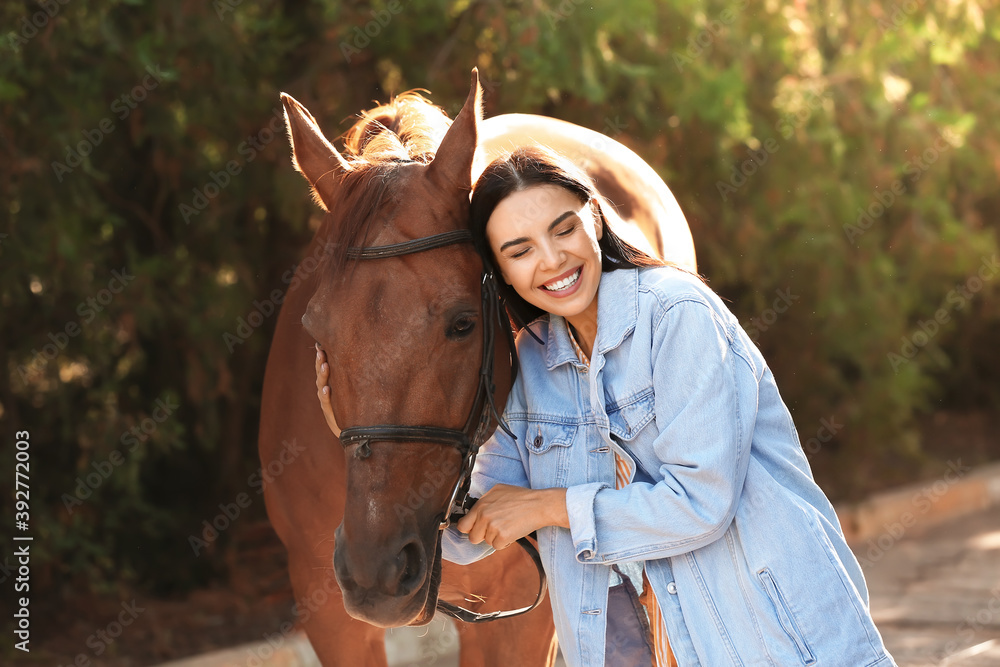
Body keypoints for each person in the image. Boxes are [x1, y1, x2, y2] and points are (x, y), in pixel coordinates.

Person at [316, 146, 896, 667]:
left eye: (562, 229)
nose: (551, 261)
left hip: (768, 644)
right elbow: (471, 531)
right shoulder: (533, 365)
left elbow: (702, 504)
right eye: (520, 251)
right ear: (501, 272)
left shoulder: (678, 316)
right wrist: (362, 435)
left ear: (593, 216)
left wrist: (549, 506)